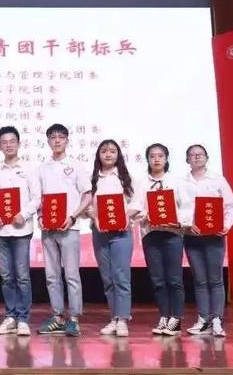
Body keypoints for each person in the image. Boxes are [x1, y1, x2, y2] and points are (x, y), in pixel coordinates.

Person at [0, 126, 41, 337]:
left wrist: (24, 214)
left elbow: (37, 198)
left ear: (19, 143)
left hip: (21, 230)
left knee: (23, 276)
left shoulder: (30, 170)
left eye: (12, 141)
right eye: (4, 142)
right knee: (7, 276)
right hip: (1, 232)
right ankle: (10, 317)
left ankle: (23, 319)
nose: (8, 145)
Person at [36, 124, 91, 337]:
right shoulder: (42, 168)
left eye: (61, 137)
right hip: (48, 229)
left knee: (71, 274)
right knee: (52, 275)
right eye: (53, 137)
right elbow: (38, 198)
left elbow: (87, 195)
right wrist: (40, 217)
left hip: (70, 226)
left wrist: (73, 216)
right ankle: (57, 317)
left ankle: (74, 318)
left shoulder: (76, 165)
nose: (57, 140)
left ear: (67, 140)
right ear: (48, 141)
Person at [179, 144, 233, 337]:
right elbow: (177, 207)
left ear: (206, 157)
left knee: (216, 279)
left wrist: (226, 225)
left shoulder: (218, 180)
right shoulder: (181, 182)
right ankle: (203, 319)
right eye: (192, 155)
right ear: (187, 159)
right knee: (200, 280)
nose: (196, 157)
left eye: (200, 154)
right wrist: (187, 224)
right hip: (192, 237)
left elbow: (231, 206)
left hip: (214, 237)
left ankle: (217, 320)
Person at [88, 139, 140, 337]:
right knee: (107, 278)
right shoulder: (93, 179)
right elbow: (87, 205)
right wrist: (94, 217)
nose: (108, 154)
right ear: (98, 155)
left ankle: (123, 319)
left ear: (118, 155)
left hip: (121, 233)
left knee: (121, 276)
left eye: (112, 151)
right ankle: (114, 318)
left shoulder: (126, 178)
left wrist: (126, 216)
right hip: (100, 233)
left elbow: (138, 202)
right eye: (104, 151)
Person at [134, 143, 185, 336]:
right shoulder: (141, 183)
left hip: (172, 234)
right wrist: (145, 216)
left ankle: (176, 319)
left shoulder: (177, 181)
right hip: (151, 234)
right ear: (147, 159)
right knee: (158, 279)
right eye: (152, 156)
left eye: (160, 156)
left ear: (166, 158)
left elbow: (186, 206)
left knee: (174, 279)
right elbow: (136, 206)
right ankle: (164, 315)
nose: (156, 159)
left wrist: (178, 220)